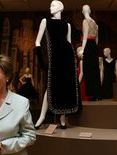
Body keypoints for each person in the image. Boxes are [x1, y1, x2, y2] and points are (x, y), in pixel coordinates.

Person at [34, 0, 81, 129]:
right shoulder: (46, 21)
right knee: (51, 86)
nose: (50, 7)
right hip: (54, 59)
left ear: (61, 7)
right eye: (50, 5)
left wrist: (74, 62)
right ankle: (42, 116)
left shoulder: (67, 25)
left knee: (65, 87)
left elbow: (69, 43)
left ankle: (62, 117)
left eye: (53, 5)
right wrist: (42, 61)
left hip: (67, 59)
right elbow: (37, 42)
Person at [78, 4, 101, 101]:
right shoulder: (95, 23)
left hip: (88, 45)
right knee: (95, 69)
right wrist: (95, 48)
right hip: (94, 47)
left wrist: (83, 48)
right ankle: (97, 94)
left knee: (87, 69)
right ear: (90, 11)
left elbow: (86, 34)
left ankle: (91, 94)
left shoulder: (85, 21)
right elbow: (97, 39)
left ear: (83, 11)